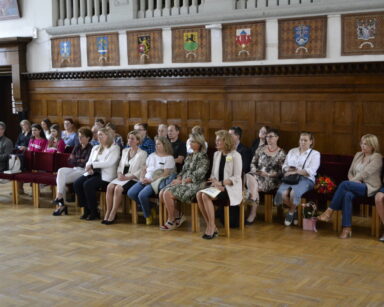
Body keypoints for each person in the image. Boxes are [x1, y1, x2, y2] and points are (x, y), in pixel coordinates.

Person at [319, 134, 382, 239]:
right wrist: (353, 181)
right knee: (347, 194)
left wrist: (353, 181)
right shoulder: (358, 155)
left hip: (370, 187)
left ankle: (329, 212)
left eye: (366, 144)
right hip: (355, 184)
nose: (362, 146)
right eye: (362, 143)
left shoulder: (377, 157)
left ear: (372, 146)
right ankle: (346, 228)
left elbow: (365, 173)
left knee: (344, 184)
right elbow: (350, 172)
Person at [196, 130, 242, 239]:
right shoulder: (216, 154)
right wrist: (214, 182)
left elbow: (236, 177)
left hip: (230, 188)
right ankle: (211, 225)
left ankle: (211, 227)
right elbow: (213, 174)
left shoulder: (236, 155)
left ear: (225, 141)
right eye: (215, 140)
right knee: (199, 194)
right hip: (217, 187)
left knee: (205, 195)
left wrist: (222, 184)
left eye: (218, 140)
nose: (215, 142)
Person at [160, 133, 209, 230]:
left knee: (167, 193)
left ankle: (172, 220)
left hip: (195, 184)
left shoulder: (203, 157)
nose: (190, 143)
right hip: (183, 181)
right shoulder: (190, 156)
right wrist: (178, 178)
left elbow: (198, 175)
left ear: (199, 143)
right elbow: (183, 170)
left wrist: (182, 181)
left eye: (193, 141)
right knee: (161, 193)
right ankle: (178, 215)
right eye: (190, 141)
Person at [274, 131, 320, 227]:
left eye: (305, 140)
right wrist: (287, 169)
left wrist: (296, 171)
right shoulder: (292, 151)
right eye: (301, 140)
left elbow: (311, 171)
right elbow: (284, 166)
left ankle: (290, 213)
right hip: (290, 178)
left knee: (293, 193)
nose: (302, 142)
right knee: (281, 193)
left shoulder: (315, 154)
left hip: (306, 179)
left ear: (311, 141)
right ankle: (295, 211)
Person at [73, 127, 120, 220]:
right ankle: (86, 209)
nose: (99, 137)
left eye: (101, 135)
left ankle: (94, 211)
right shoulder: (95, 147)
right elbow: (89, 160)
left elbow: (109, 162)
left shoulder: (115, 148)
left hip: (105, 175)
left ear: (108, 136)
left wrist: (92, 165)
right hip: (92, 172)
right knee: (77, 184)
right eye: (98, 135)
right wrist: (88, 166)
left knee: (88, 185)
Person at [127, 136, 175, 225]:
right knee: (131, 193)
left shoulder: (169, 158)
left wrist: (151, 180)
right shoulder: (152, 155)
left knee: (142, 195)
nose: (156, 146)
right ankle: (151, 206)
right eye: (156, 144)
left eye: (159, 144)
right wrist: (141, 178)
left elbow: (165, 174)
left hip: (156, 182)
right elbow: (144, 168)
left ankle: (147, 215)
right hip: (145, 179)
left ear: (165, 145)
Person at [103, 131, 147, 225]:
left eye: (132, 139)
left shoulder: (143, 153)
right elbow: (120, 165)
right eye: (129, 138)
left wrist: (129, 177)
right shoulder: (124, 151)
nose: (129, 140)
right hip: (122, 176)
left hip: (133, 178)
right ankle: (108, 211)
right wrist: (119, 173)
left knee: (118, 188)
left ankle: (113, 213)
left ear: (138, 141)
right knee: (110, 187)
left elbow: (142, 169)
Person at [244, 128, 286, 224]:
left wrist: (268, 174)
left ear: (277, 138)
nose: (268, 138)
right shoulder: (260, 149)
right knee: (248, 175)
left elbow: (281, 171)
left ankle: (252, 210)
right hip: (256, 175)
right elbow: (253, 163)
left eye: (271, 136)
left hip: (271, 179)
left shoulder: (281, 153)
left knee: (252, 184)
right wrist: (255, 170)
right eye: (267, 136)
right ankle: (253, 209)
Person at [52, 127, 93, 216]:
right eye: (79, 136)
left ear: (88, 138)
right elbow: (69, 160)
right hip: (75, 169)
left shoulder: (91, 148)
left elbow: (86, 162)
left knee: (60, 180)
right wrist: (79, 160)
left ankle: (60, 204)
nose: (80, 138)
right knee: (61, 171)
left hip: (84, 171)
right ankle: (59, 197)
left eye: (82, 136)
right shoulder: (77, 146)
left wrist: (77, 160)